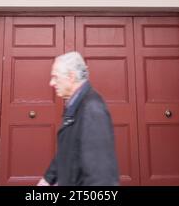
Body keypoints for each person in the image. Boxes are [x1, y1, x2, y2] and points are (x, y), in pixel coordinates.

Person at [37, 51, 119, 186]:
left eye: (55, 77)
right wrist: (48, 178)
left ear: (71, 77)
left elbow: (102, 176)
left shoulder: (92, 109)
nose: (51, 83)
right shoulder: (74, 104)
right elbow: (69, 149)